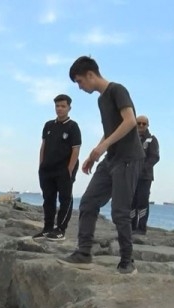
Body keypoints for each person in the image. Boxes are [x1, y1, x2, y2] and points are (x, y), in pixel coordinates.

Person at [58, 56, 145, 275]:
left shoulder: (117, 90)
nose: (79, 87)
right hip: (111, 159)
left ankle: (127, 261)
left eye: (79, 81)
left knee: (120, 212)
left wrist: (102, 147)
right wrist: (94, 154)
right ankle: (83, 253)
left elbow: (130, 121)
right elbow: (110, 130)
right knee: (88, 202)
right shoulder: (101, 99)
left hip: (128, 158)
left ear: (90, 75)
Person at [34, 94, 82, 241]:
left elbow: (76, 149)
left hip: (64, 169)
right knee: (48, 198)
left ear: (69, 108)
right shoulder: (49, 125)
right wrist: (41, 165)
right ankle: (47, 228)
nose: (60, 109)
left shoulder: (73, 126)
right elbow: (43, 146)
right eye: (57, 106)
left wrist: (69, 169)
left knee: (65, 198)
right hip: (47, 168)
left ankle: (60, 229)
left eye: (63, 106)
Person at [130, 115, 160, 235]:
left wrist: (142, 169)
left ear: (147, 125)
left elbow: (155, 157)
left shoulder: (152, 140)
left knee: (142, 201)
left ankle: (141, 228)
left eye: (144, 123)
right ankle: (131, 226)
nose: (141, 125)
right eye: (139, 123)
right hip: (131, 176)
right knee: (131, 201)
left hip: (145, 177)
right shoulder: (131, 138)